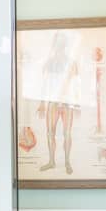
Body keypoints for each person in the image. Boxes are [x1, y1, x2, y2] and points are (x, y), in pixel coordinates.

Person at [36, 32, 81, 175]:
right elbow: (44, 83)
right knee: (50, 132)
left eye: (62, 43)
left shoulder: (72, 62)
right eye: (57, 43)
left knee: (67, 132)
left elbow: (76, 84)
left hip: (67, 102)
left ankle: (67, 162)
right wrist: (42, 103)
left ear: (65, 45)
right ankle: (52, 161)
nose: (59, 46)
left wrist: (77, 103)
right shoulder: (49, 62)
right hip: (54, 102)